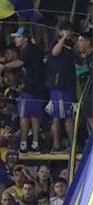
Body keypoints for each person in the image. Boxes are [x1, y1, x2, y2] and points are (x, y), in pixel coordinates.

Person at [45, 22, 77, 152]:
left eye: (70, 30)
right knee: (57, 116)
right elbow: (54, 52)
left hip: (69, 85)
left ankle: (72, 143)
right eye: (66, 30)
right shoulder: (55, 42)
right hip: (58, 86)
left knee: (69, 116)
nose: (69, 32)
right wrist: (63, 38)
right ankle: (56, 145)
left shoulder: (72, 45)